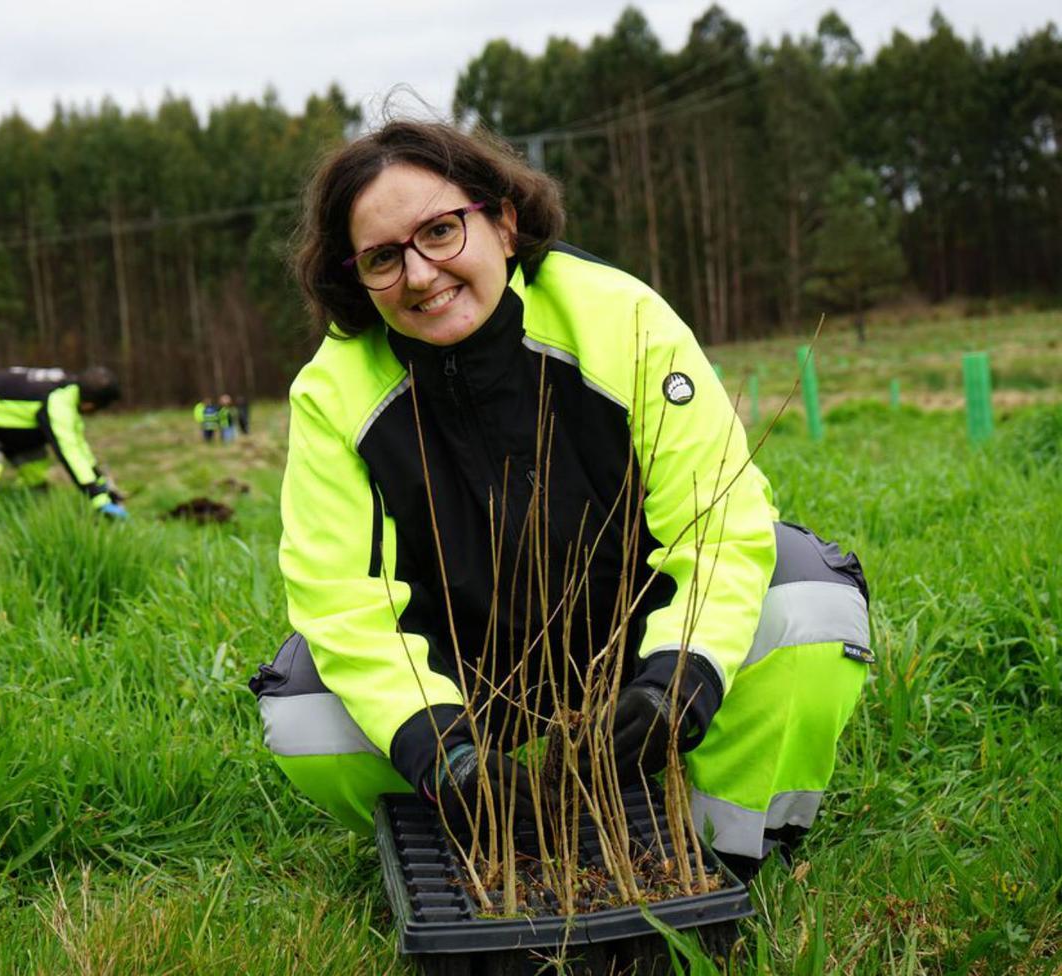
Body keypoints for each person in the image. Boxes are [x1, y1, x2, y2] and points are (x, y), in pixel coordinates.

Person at [250, 121, 871, 882]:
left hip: (635, 635)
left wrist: (678, 681)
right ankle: (486, 848)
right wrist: (440, 749)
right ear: (356, 279)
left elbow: (718, 525)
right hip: (468, 667)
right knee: (304, 714)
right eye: (383, 257)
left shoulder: (620, 317)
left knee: (810, 606)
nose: (419, 274)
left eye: (441, 231)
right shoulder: (332, 392)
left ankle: (721, 849)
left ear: (504, 222)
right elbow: (343, 601)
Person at [0, 366, 126, 518]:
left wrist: (102, 486)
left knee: (35, 463)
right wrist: (96, 496)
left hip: (1, 421)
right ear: (91, 404)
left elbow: (79, 447)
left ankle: (26, 512)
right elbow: (68, 451)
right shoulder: (58, 400)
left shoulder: (68, 389)